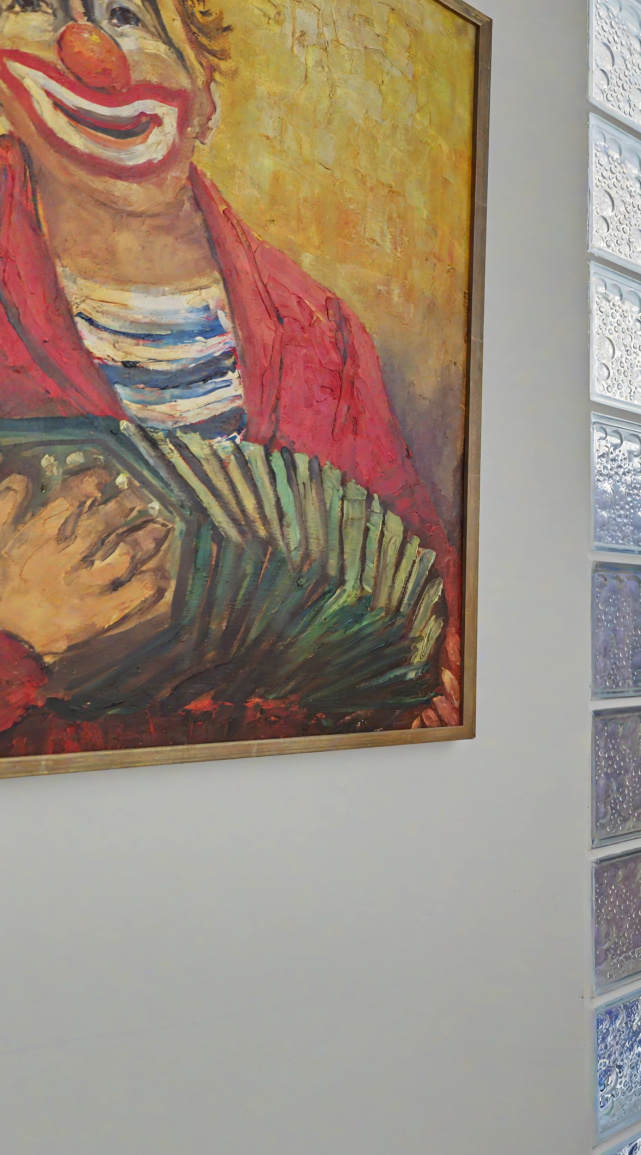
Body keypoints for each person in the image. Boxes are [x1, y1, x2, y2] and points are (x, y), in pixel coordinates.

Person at [0, 0, 461, 752]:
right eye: (32, 7)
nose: (89, 53)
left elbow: (425, 581)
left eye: (127, 15)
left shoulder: (317, 330)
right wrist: (14, 635)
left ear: (204, 91)